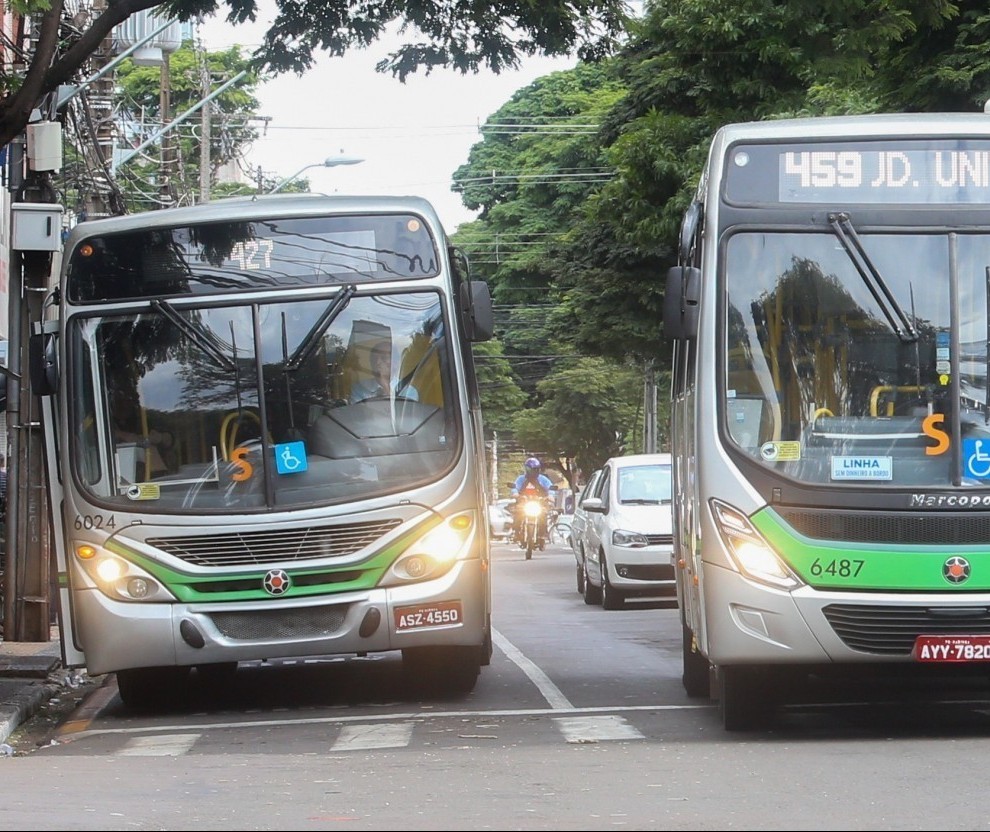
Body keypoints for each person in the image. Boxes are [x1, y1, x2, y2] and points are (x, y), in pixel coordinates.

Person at [349, 341, 420, 404]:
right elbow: (359, 414)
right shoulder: (359, 388)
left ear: (395, 363)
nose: (378, 362)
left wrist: (385, 385)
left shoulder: (408, 391)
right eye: (374, 358)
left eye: (384, 358)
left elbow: (401, 416)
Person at [510, 457, 555, 543]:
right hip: (524, 503)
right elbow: (515, 487)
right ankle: (517, 532)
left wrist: (550, 496)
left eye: (534, 469)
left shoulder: (543, 479)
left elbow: (550, 488)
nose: (532, 472)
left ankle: (542, 534)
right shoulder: (521, 479)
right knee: (518, 514)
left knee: (543, 514)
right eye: (530, 469)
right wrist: (515, 494)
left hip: (540, 503)